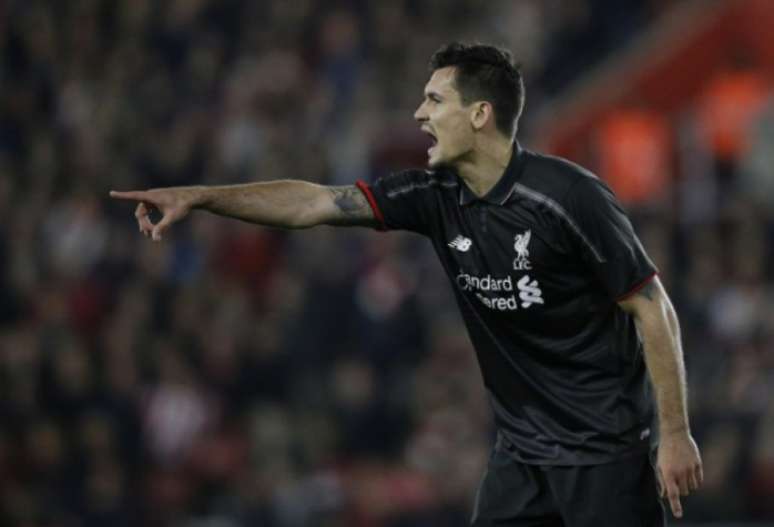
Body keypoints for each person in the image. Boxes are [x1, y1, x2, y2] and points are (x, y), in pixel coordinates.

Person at [111, 42, 702, 526]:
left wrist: (674, 434)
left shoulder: (568, 197)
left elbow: (653, 308)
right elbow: (314, 203)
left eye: (434, 99)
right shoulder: (432, 197)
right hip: (522, 455)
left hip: (605, 453)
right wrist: (203, 197)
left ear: (479, 114)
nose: (419, 114)